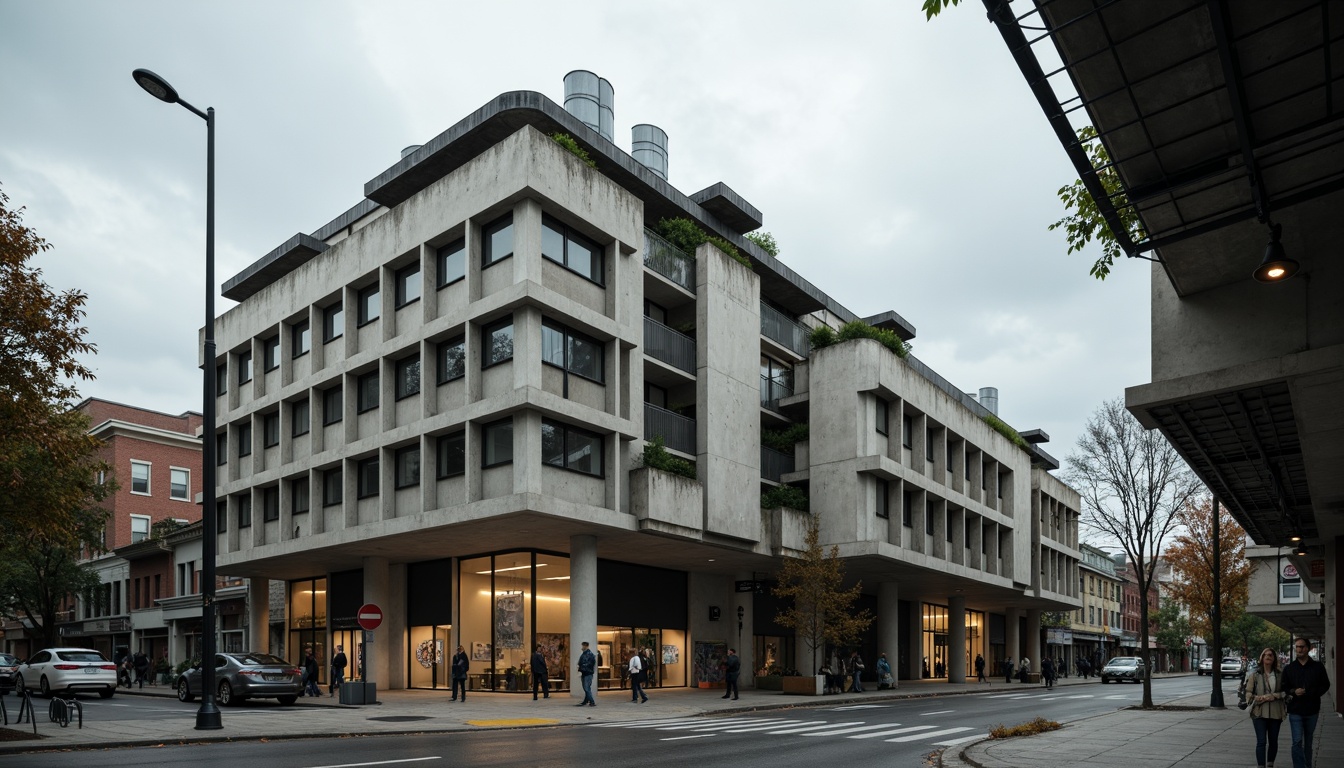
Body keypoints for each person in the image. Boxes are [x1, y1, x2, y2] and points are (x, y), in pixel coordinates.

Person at [1282, 637, 1331, 768]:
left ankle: (1307, 765)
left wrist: (1313, 693)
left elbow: (1325, 684)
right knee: (1297, 741)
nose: (1299, 649)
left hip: (1312, 709)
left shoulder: (1318, 667)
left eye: (1302, 646)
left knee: (1308, 742)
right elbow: (1284, 686)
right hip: (1295, 710)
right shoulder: (1289, 668)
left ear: (1308, 648)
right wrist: (1293, 691)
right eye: (1297, 647)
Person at [1246, 647, 1286, 768]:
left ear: (1274, 659)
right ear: (1262, 658)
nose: (1268, 657)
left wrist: (1275, 695)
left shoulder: (1280, 675)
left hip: (1276, 712)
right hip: (1259, 712)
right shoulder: (1255, 675)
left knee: (1273, 741)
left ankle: (1270, 764)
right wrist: (1258, 698)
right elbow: (1248, 693)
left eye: (1271, 655)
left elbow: (1286, 692)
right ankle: (1261, 765)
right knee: (1261, 741)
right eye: (1266, 655)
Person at [576, 641, 597, 706]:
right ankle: (586, 700)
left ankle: (592, 701)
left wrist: (580, 668)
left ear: (585, 646)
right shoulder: (586, 654)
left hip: (587, 673)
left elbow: (587, 664)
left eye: (582, 646)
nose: (581, 647)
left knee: (586, 687)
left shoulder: (588, 654)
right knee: (587, 687)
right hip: (586, 672)